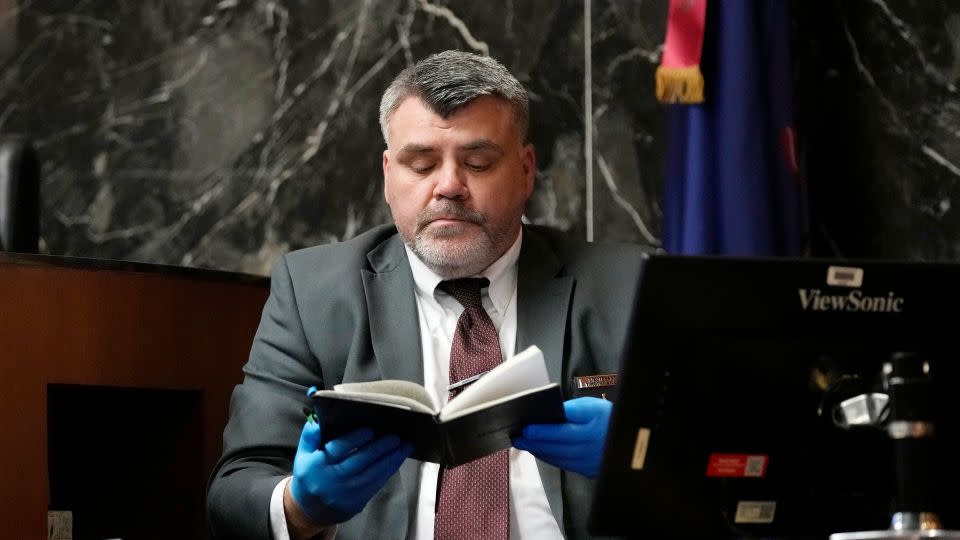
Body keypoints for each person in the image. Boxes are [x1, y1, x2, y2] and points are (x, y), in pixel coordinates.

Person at [207, 50, 644, 540]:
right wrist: (300, 505)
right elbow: (233, 492)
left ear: (526, 171)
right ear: (388, 174)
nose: (449, 186)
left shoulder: (628, 286)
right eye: (421, 164)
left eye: (477, 162)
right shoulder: (312, 292)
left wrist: (644, 458)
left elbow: (734, 471)